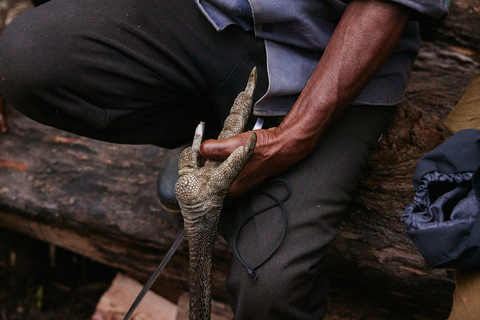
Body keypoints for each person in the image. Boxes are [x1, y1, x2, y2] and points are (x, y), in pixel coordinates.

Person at [0, 0, 447, 318]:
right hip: (206, 13)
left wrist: (292, 137)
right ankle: (199, 136)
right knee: (25, 59)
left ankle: (233, 154)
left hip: (329, 59)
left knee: (271, 289)